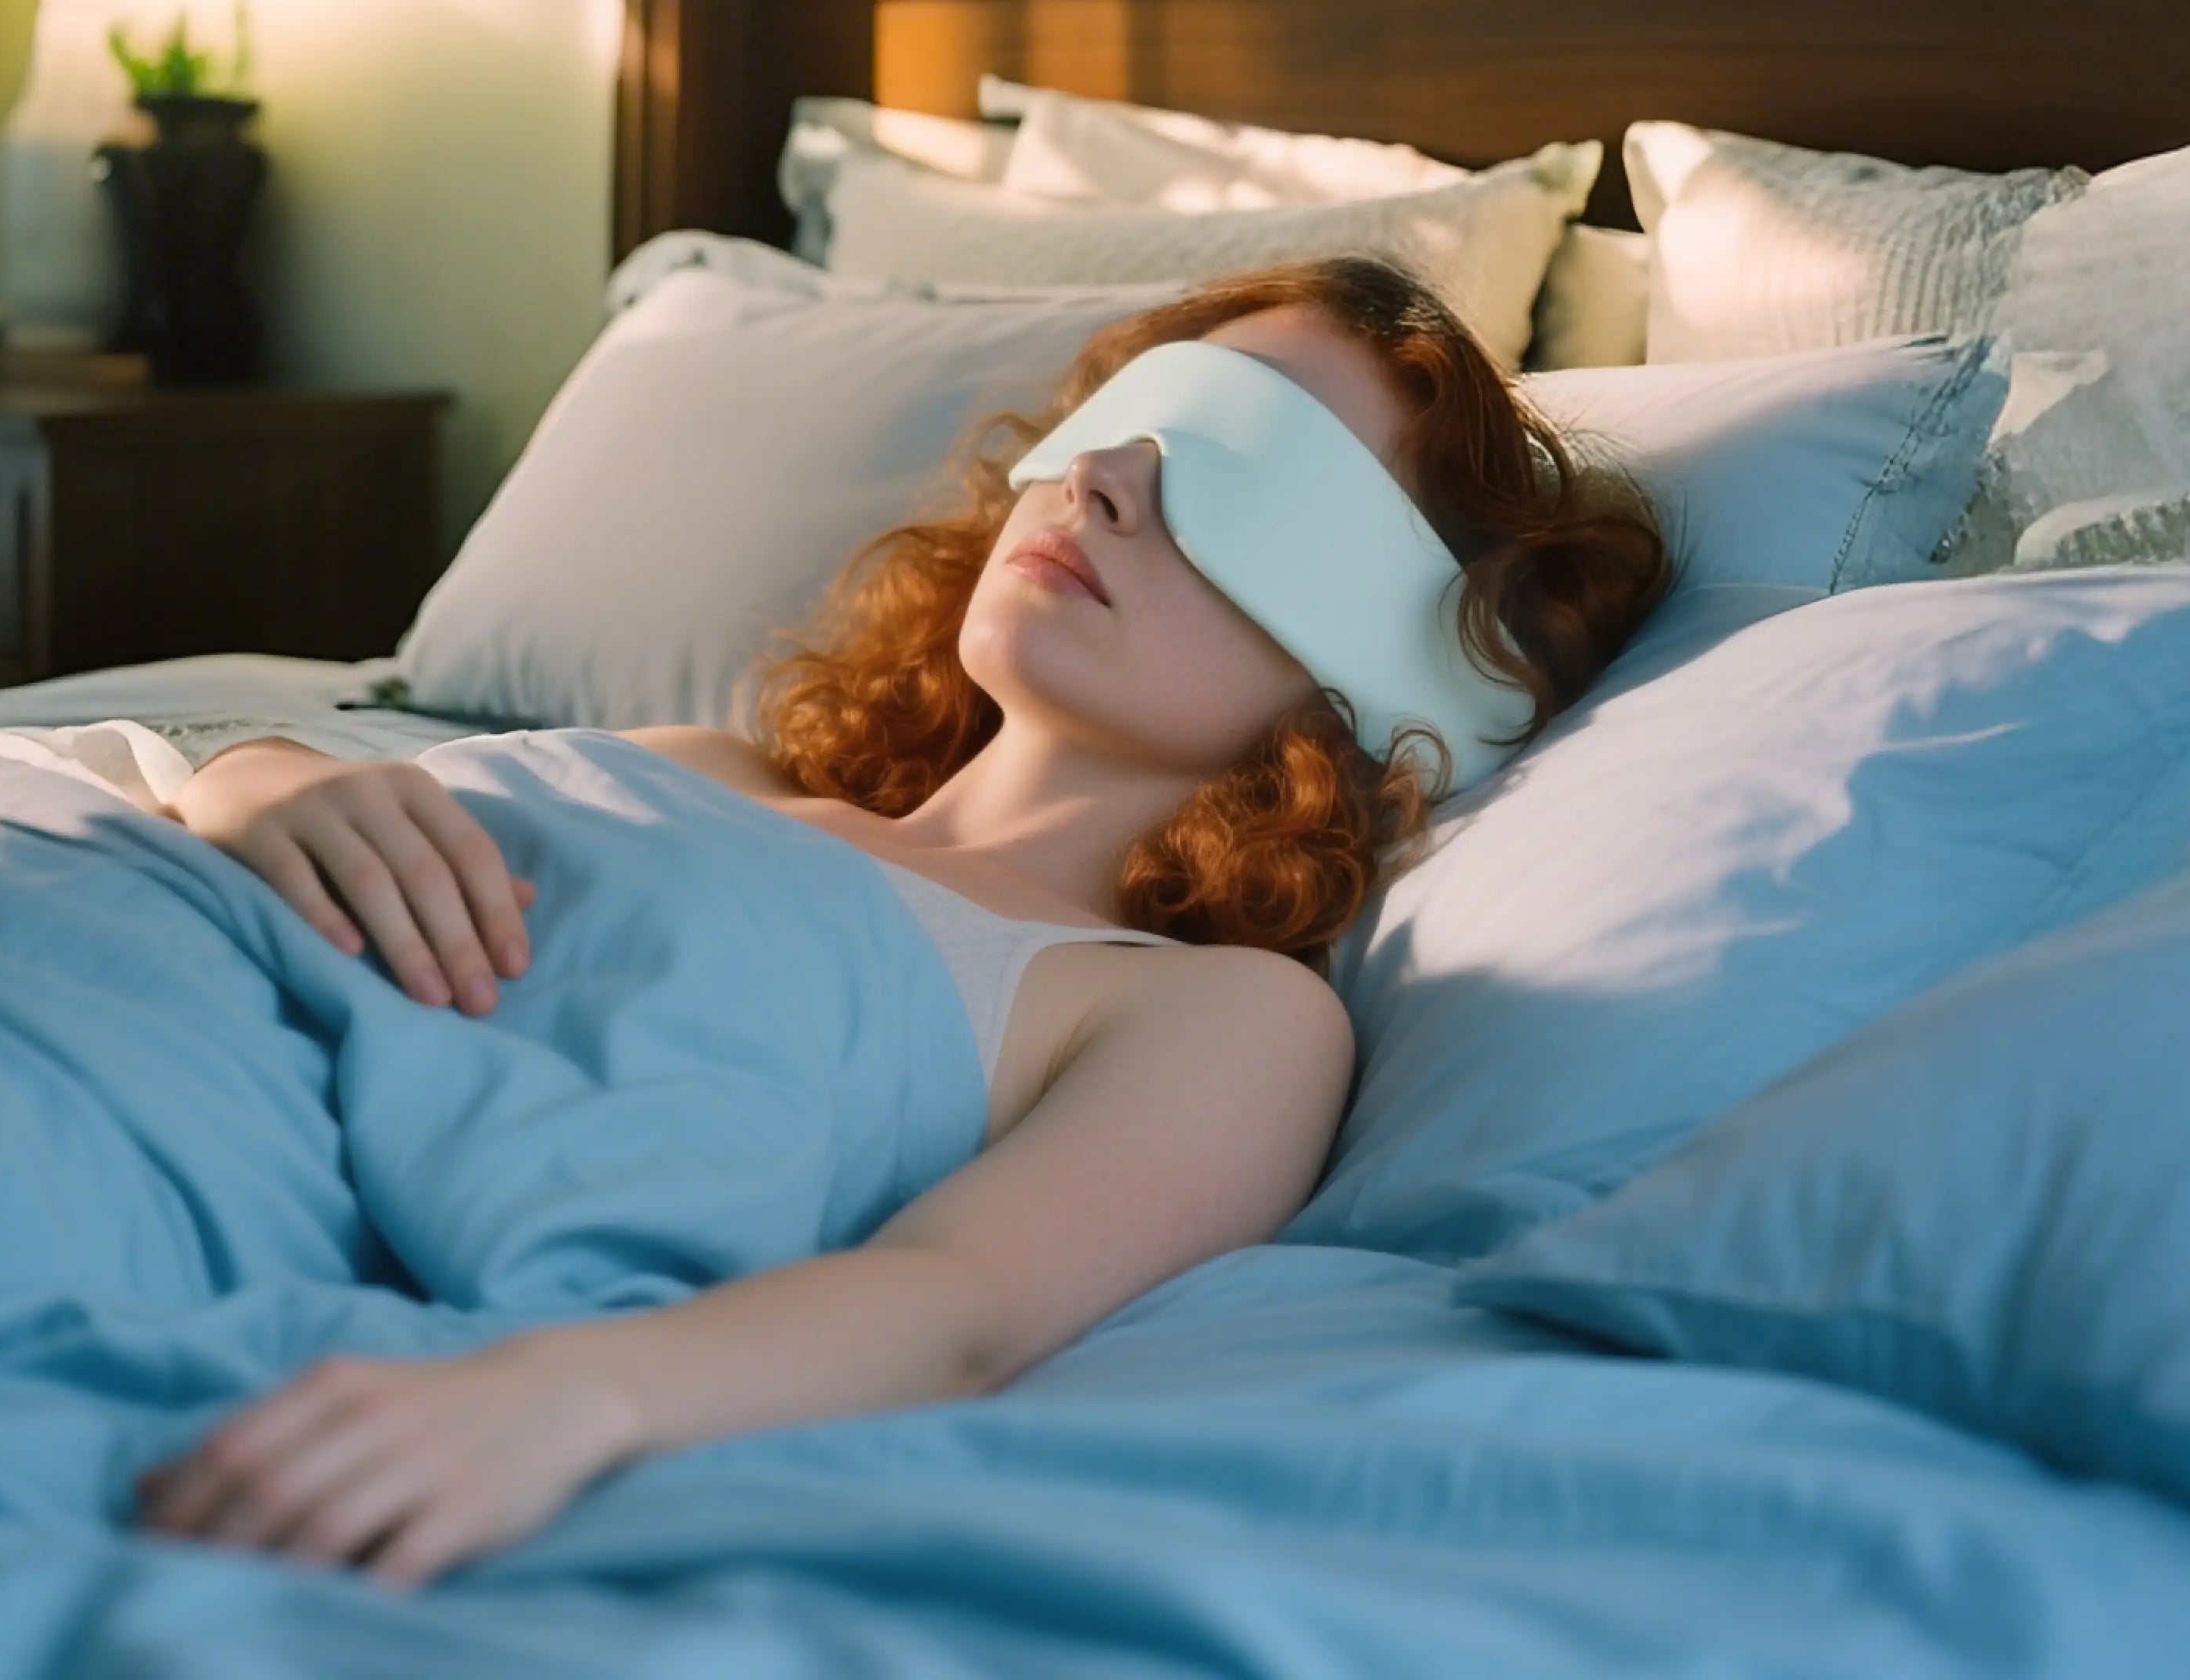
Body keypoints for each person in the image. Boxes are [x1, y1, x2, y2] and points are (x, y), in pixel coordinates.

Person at [131, 256, 1670, 1588]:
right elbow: (272, 790)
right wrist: (256, 776)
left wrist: (565, 1399)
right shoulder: (707, 763)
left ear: (1390, 676)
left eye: (1235, 474)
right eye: (1125, 418)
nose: (1102, 477)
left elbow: (961, 1306)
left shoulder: (1214, 1013)